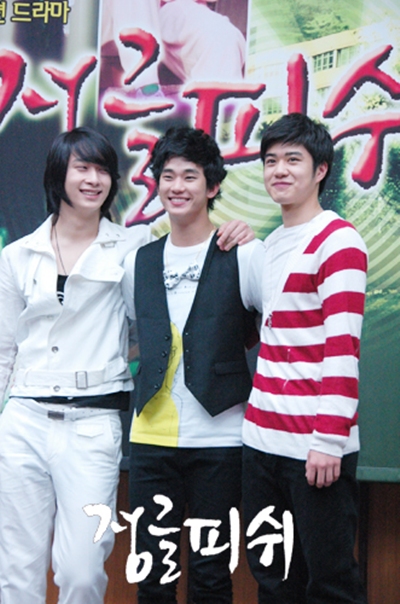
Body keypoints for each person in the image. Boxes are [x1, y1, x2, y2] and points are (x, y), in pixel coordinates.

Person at [0, 126, 252, 604]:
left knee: (81, 571)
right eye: (82, 168)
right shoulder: (16, 256)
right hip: (24, 419)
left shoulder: (134, 247)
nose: (93, 180)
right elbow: (3, 350)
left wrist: (237, 229)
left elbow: (163, 311)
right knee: (16, 568)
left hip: (93, 421)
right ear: (58, 174)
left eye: (102, 170)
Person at [122, 126, 264, 604]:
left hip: (221, 439)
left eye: (190, 176)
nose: (177, 186)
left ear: (213, 186)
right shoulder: (138, 262)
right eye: (168, 176)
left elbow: (268, 329)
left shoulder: (244, 252)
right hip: (150, 440)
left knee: (211, 576)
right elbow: (138, 335)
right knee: (152, 575)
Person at [242, 113, 369, 603]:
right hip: (261, 443)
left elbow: (343, 347)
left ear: (320, 170)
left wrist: (329, 442)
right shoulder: (270, 246)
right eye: (270, 160)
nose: (279, 170)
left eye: (293, 160)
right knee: (273, 580)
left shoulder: (338, 240)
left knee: (330, 582)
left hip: (315, 449)